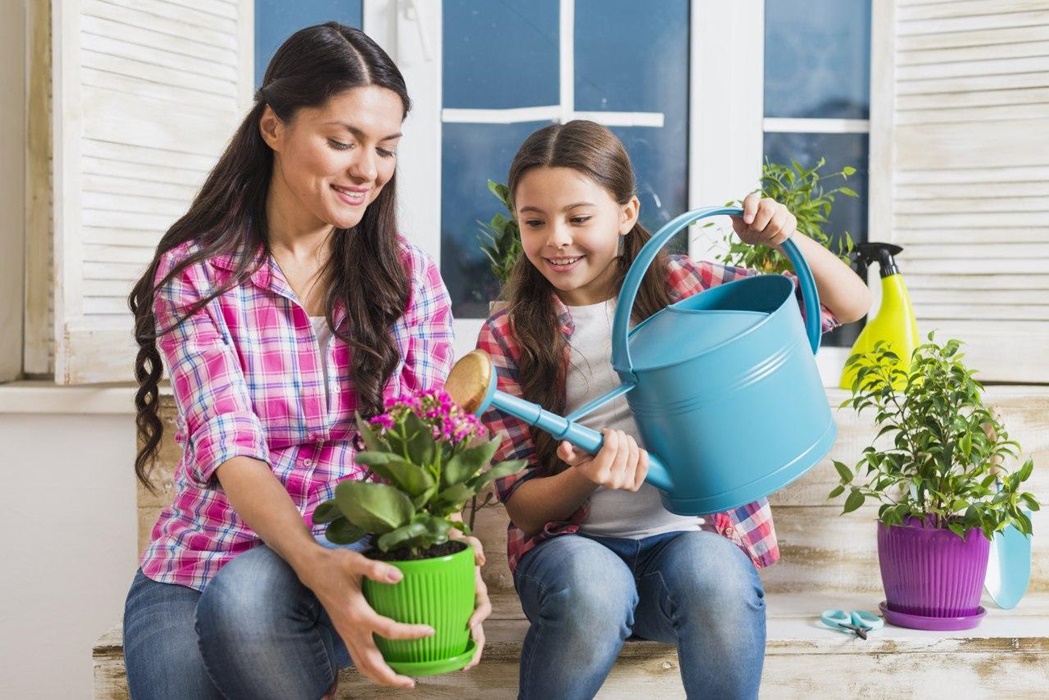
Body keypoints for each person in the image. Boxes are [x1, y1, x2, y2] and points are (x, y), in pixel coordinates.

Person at [122, 23, 489, 699]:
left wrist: (448, 550)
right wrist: (310, 561)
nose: (367, 170)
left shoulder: (408, 279)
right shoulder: (198, 276)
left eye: (385, 148)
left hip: (353, 555)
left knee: (246, 604)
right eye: (342, 141)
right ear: (273, 127)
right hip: (201, 555)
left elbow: (428, 447)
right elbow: (231, 445)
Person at [477, 120, 871, 699]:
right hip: (570, 560)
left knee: (718, 575)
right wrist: (587, 475)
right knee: (595, 586)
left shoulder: (685, 286)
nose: (556, 239)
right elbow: (525, 509)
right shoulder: (508, 336)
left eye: (579, 218)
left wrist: (785, 236)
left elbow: (850, 303)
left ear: (626, 213)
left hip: (686, 551)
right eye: (534, 222)